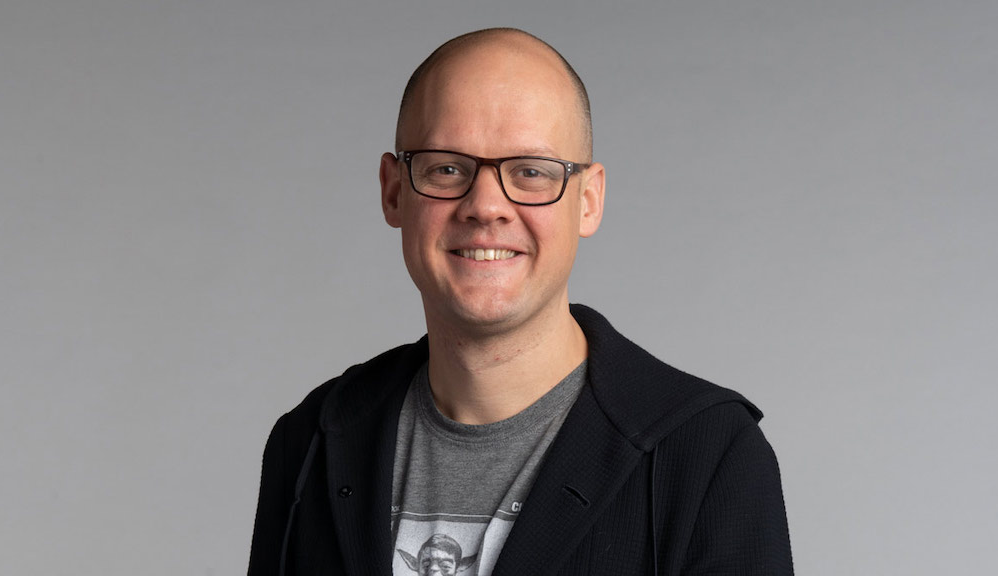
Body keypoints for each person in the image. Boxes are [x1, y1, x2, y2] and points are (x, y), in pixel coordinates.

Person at [248, 28, 793, 576]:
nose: (486, 206)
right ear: (394, 191)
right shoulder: (310, 441)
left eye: (531, 171)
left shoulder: (708, 455)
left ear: (589, 201)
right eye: (446, 167)